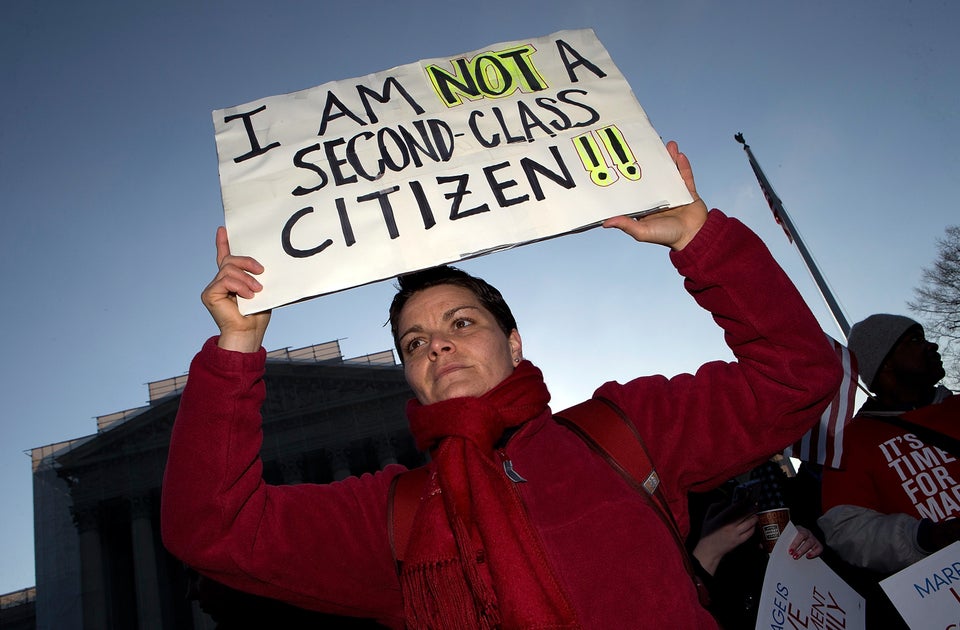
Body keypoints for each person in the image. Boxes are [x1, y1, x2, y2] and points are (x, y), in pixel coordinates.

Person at [161, 141, 842, 629]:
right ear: (408, 374)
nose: (439, 345)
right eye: (414, 342)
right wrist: (239, 344)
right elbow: (211, 530)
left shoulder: (623, 430)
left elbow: (798, 374)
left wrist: (697, 236)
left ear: (512, 343)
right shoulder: (388, 514)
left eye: (461, 322)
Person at [818, 314, 956, 628]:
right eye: (915, 341)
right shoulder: (850, 442)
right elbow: (846, 529)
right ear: (887, 362)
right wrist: (924, 536)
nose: (931, 346)